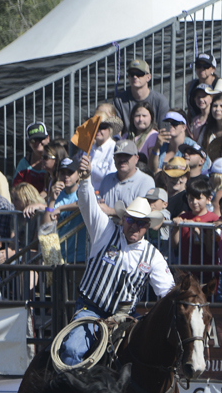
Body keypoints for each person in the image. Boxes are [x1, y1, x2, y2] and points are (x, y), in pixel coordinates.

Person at [59, 153, 174, 368]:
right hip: (91, 311)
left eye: (141, 223)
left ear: (147, 226)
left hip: (126, 318)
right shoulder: (105, 231)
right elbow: (87, 205)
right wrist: (85, 180)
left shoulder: (153, 256)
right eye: (131, 220)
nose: (135, 226)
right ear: (123, 219)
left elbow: (167, 294)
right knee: (72, 350)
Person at [97, 139, 155, 215]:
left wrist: (110, 211)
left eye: (127, 155)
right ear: (114, 158)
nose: (122, 159)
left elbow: (141, 212)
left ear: (136, 158)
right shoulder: (107, 180)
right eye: (119, 155)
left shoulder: (146, 181)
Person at [113, 58, 170, 127]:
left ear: (148, 77)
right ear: (128, 77)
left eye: (139, 74)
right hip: (127, 137)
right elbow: (116, 130)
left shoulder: (160, 101)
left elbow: (165, 129)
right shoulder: (119, 101)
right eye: (132, 74)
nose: (135, 77)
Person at [88, 111, 123, 189]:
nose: (98, 130)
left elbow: (111, 176)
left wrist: (90, 169)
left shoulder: (115, 148)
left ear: (110, 130)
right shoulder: (88, 149)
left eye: (102, 127)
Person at [12, 121, 50, 192]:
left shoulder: (55, 160)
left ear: (48, 138)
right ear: (28, 142)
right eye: (33, 140)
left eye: (41, 139)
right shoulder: (23, 164)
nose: (38, 143)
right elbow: (15, 189)